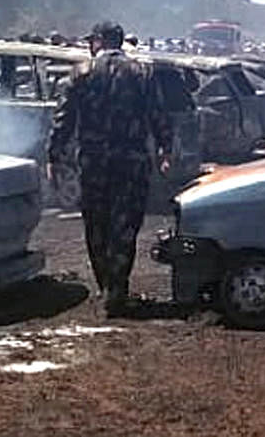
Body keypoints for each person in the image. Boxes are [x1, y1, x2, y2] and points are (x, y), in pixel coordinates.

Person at [47, 21, 173, 316]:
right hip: (131, 160)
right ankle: (118, 287)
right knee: (126, 224)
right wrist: (166, 149)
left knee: (96, 223)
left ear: (100, 41)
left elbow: (63, 119)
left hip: (93, 162)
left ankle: (106, 286)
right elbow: (159, 115)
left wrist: (54, 156)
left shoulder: (81, 72)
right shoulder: (142, 73)